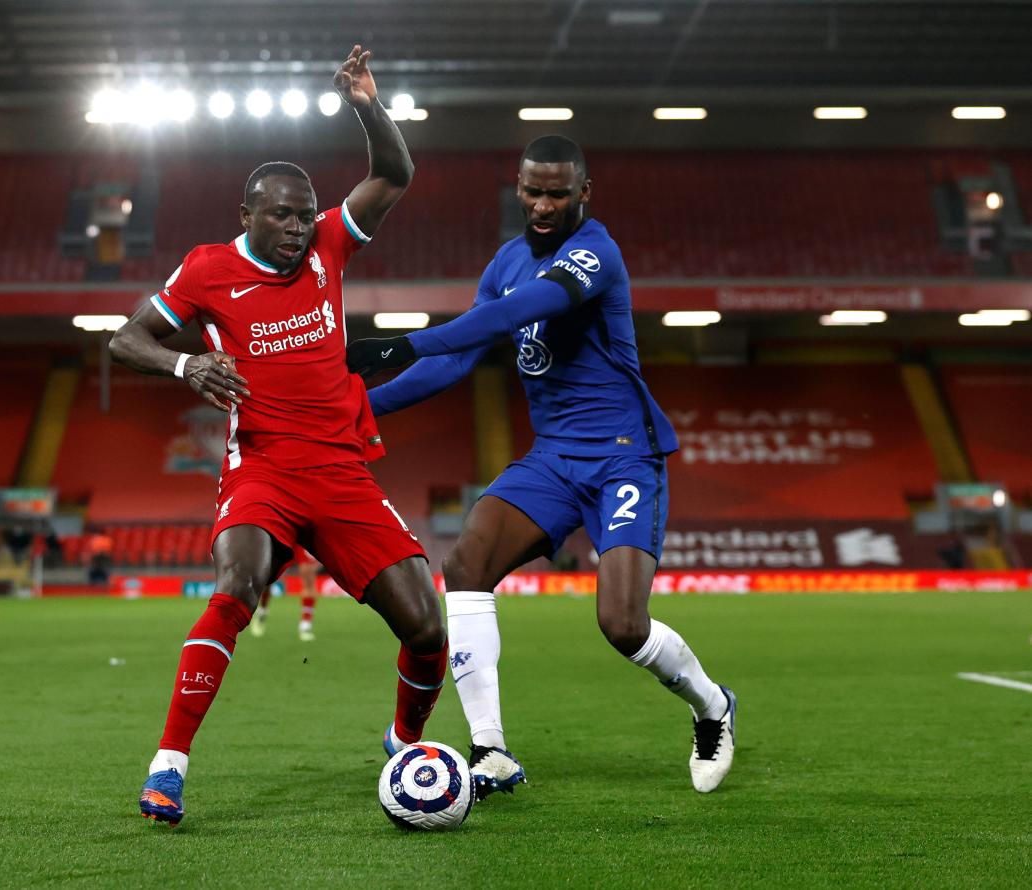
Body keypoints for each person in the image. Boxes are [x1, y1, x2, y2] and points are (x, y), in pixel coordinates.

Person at [109, 45, 445, 828]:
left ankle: (403, 742)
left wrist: (367, 103)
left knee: (425, 627)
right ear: (247, 215)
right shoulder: (207, 271)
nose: (297, 228)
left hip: (342, 471)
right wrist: (186, 364)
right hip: (263, 467)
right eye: (281, 215)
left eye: (305, 214)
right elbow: (127, 340)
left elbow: (394, 175)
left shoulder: (332, 244)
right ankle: (168, 767)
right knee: (238, 584)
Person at [347, 135, 736, 797]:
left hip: (622, 458)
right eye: (533, 190)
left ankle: (713, 708)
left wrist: (399, 343)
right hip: (553, 457)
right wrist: (360, 410)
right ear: (518, 188)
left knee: (622, 626)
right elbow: (456, 362)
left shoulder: (595, 253)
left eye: (559, 191)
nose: (544, 203)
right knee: (467, 562)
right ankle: (491, 752)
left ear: (585, 192)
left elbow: (523, 309)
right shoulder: (505, 261)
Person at [249, 546, 322, 641]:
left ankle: (305, 625)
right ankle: (262, 611)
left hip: (300, 539)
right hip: (284, 535)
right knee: (268, 578)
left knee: (308, 578)